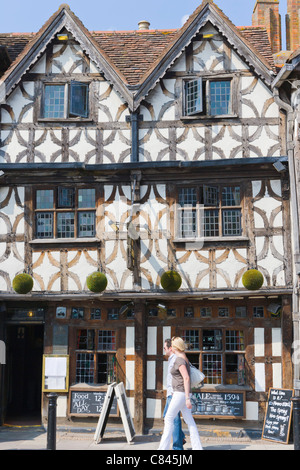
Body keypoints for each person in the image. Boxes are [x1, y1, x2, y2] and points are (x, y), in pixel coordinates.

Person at [158, 337, 203, 450]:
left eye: (172, 345)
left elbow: (186, 378)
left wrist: (187, 398)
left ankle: (162, 449)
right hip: (181, 394)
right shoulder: (183, 358)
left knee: (168, 418)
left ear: (175, 347)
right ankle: (197, 448)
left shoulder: (179, 360)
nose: (170, 347)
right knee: (189, 421)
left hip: (180, 394)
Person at [163, 338, 185, 450]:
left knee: (174, 420)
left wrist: (172, 392)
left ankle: (178, 447)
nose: (164, 350)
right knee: (168, 417)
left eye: (165, 348)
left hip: (173, 393)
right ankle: (181, 438)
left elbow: (180, 377)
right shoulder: (171, 359)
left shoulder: (175, 359)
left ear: (170, 348)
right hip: (171, 393)